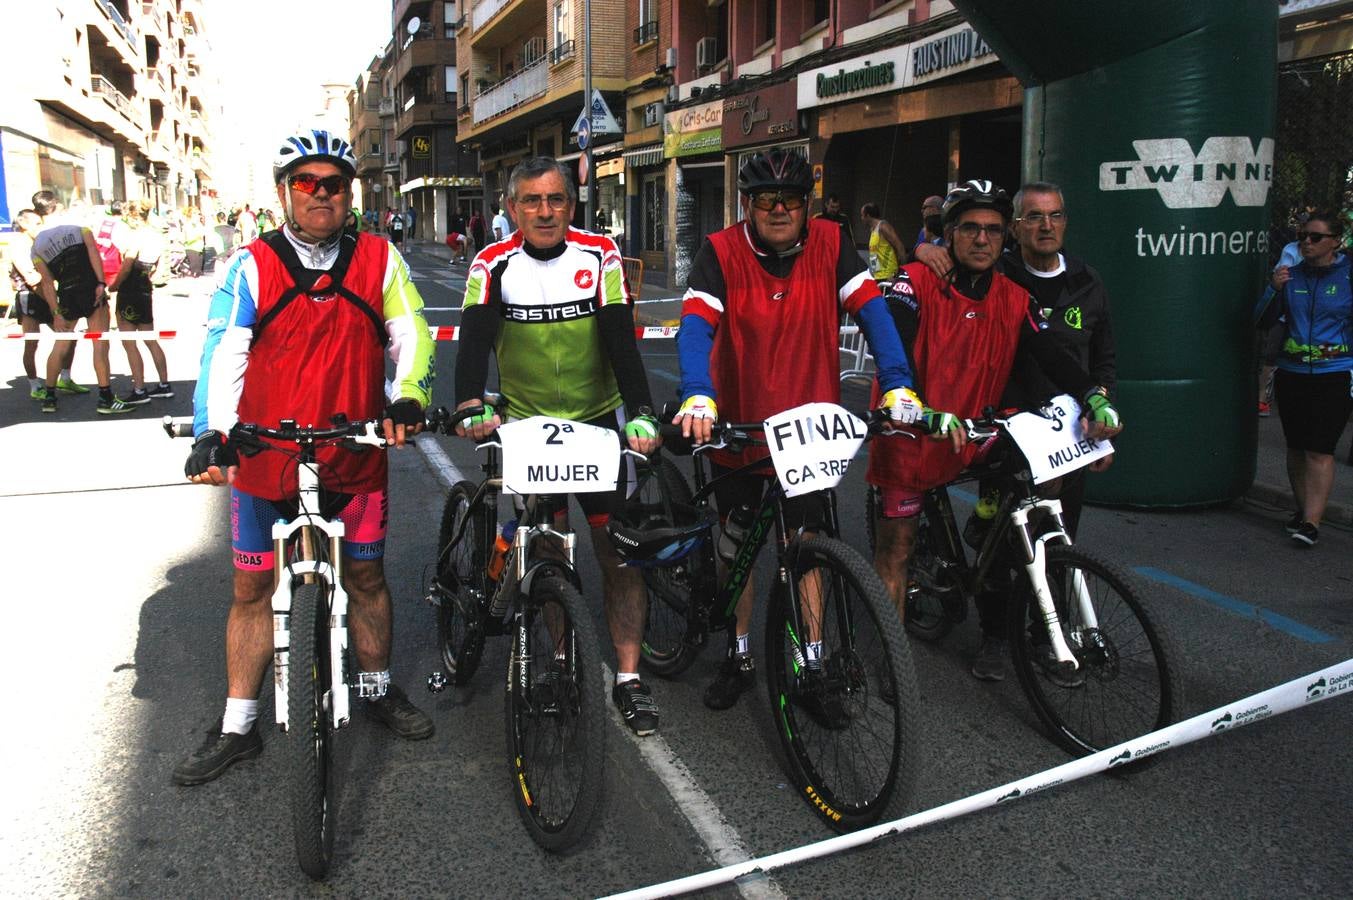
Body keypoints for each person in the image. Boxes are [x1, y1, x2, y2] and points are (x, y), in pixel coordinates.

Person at [172, 128, 437, 786]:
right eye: (306, 183)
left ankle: (376, 690)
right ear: (284, 193)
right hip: (265, 458)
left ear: (351, 193)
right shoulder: (251, 264)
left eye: (335, 184)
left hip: (354, 453)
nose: (322, 194)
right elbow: (224, 350)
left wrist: (408, 396)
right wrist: (213, 432)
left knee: (366, 579)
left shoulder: (379, 258)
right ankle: (237, 725)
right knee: (251, 590)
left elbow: (412, 332)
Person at [672, 147, 926, 712]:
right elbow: (695, 326)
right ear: (747, 204)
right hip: (739, 426)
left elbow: (874, 314)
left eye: (791, 199)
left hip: (808, 433)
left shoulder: (833, 243)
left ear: (807, 204)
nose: (780, 209)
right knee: (735, 547)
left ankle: (810, 665)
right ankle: (738, 653)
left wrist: (897, 384)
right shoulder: (719, 251)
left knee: (807, 546)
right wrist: (697, 393)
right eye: (767, 200)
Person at [866, 180, 1123, 681]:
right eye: (969, 228)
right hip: (913, 428)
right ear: (949, 234)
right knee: (896, 547)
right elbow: (892, 342)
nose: (982, 239)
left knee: (1024, 501)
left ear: (1006, 236)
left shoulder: (1013, 295)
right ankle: (893, 665)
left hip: (975, 429)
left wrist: (1093, 395)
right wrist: (914, 405)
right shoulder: (914, 281)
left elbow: (1051, 353)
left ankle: (1008, 598)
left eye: (993, 230)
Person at [454, 156, 665, 736]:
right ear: (512, 208)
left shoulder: (600, 256)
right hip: (528, 425)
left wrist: (642, 412)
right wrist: (470, 402)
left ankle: (628, 677)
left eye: (555, 200)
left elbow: (621, 340)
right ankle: (564, 658)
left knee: (616, 552)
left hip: (597, 422)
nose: (544, 211)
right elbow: (473, 341)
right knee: (547, 550)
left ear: (571, 205)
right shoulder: (491, 264)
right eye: (532, 200)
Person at [1000, 181, 1117, 540]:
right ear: (1015, 227)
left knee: (1062, 541)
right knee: (1009, 545)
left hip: (1070, 432)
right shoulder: (998, 276)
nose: (1046, 226)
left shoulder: (1087, 280)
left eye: (1055, 215)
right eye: (1034, 217)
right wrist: (925, 249)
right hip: (1011, 431)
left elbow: (1103, 360)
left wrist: (1100, 429)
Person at [1254, 210, 1353, 548]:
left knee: (1320, 449)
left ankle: (1312, 523)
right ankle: (1302, 511)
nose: (1306, 243)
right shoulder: (1290, 277)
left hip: (1334, 373)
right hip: (1293, 373)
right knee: (1296, 446)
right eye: (1302, 237)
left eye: (1315, 237)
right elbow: (1261, 320)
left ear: (1335, 241)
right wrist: (1273, 289)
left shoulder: (1347, 276)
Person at [29, 190, 130, 414]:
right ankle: (105, 399)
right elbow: (94, 254)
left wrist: (55, 312)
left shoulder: (36, 245)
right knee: (100, 344)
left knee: (61, 345)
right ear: (57, 205)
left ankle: (49, 397)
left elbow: (47, 283)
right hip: (90, 289)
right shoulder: (79, 228)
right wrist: (101, 283)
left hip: (66, 294)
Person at [110, 199, 172, 405]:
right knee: (150, 338)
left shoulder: (136, 236)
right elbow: (159, 268)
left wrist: (113, 286)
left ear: (133, 216)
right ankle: (164, 384)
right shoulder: (157, 236)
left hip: (129, 289)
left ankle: (139, 389)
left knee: (129, 341)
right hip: (145, 287)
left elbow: (127, 265)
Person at [7, 209, 48, 398]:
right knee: (32, 342)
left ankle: (64, 376)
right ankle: (34, 385)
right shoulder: (18, 245)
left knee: (67, 336)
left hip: (45, 294)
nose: (40, 228)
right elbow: (31, 278)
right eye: (37, 224)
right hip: (28, 296)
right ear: (24, 224)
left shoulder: (36, 242)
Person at [861, 202, 905, 280]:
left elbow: (899, 246)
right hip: (878, 275)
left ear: (867, 216)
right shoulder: (872, 229)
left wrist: (903, 272)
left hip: (889, 275)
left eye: (862, 215)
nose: (861, 218)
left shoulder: (883, 226)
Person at [912, 194, 944, 259]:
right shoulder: (923, 231)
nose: (922, 211)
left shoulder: (949, 229)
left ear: (934, 209)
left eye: (924, 208)